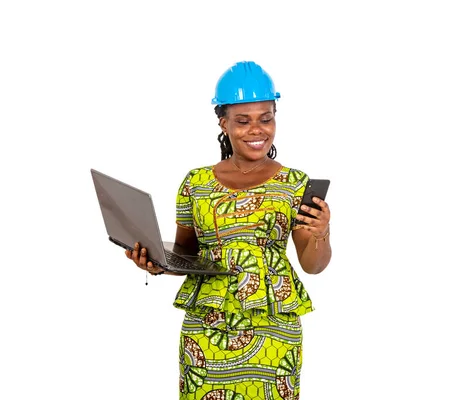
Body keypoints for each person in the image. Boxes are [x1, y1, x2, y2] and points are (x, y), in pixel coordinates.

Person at [125, 60, 332, 400]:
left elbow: (313, 265)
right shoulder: (196, 183)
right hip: (206, 330)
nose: (257, 130)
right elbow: (186, 255)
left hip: (273, 330)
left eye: (266, 118)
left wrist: (321, 231)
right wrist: (156, 262)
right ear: (223, 122)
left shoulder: (296, 184)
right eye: (243, 120)